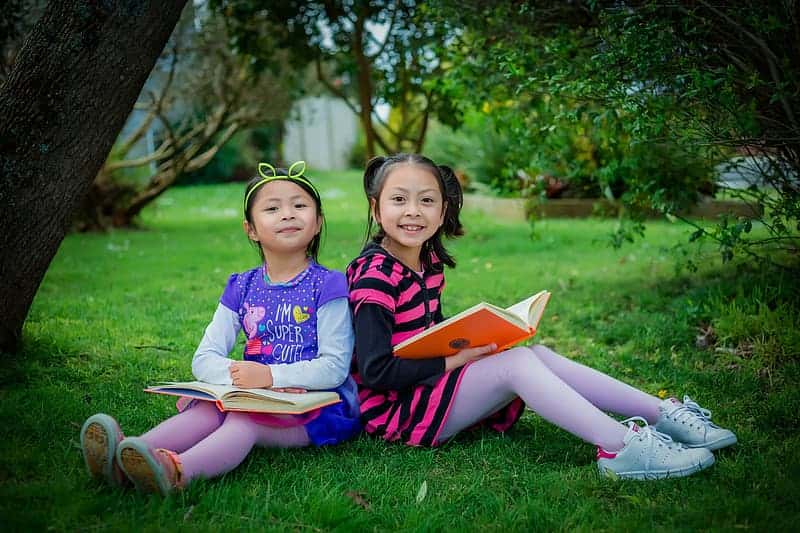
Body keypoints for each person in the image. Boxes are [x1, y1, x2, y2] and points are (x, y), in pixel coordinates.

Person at [346, 153, 736, 480]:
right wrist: (456, 359)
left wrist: (471, 338)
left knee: (538, 354)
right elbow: (377, 371)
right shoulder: (375, 276)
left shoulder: (427, 261)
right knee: (515, 363)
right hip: (395, 412)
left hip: (426, 390)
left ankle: (663, 414)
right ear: (376, 208)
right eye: (399, 200)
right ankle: (622, 449)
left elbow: (427, 333)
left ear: (443, 209)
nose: (413, 212)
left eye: (427, 201)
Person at [80, 161, 360, 494]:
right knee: (210, 410)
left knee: (244, 420)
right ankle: (126, 455)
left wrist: (271, 378)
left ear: (317, 224)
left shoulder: (328, 285)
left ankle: (177, 472)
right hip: (251, 393)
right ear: (251, 229)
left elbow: (335, 366)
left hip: (313, 409)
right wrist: (240, 378)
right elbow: (205, 358)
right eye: (272, 208)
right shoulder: (241, 287)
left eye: (299, 206)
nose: (288, 214)